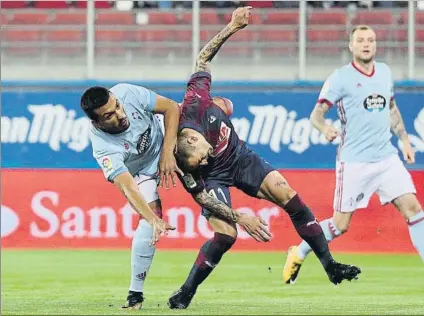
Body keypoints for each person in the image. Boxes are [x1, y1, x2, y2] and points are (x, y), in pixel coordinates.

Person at [167, 7, 362, 310]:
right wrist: (240, 217)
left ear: (194, 137)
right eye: (198, 164)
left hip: (240, 157)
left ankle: (330, 266)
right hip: (216, 181)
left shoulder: (196, 102)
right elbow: (204, 197)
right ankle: (186, 292)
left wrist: (231, 26)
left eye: (202, 156)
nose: (203, 161)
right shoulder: (187, 165)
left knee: (290, 197)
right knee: (226, 234)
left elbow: (202, 58)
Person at [283, 25, 424, 285]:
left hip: (387, 158)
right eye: (360, 40)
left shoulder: (384, 72)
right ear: (351, 46)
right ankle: (299, 251)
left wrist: (404, 140)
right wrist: (325, 128)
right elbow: (316, 115)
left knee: (415, 210)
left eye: (370, 40)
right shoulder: (340, 78)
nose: (366, 44)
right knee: (340, 225)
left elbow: (391, 108)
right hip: (354, 162)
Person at [80, 83, 181, 309]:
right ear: (97, 122)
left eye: (117, 106)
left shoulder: (127, 92)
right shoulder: (104, 147)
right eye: (109, 116)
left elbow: (172, 108)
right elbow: (128, 187)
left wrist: (167, 153)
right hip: (142, 172)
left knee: (219, 106)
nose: (120, 115)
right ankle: (135, 294)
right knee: (148, 221)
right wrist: (153, 220)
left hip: (165, 139)